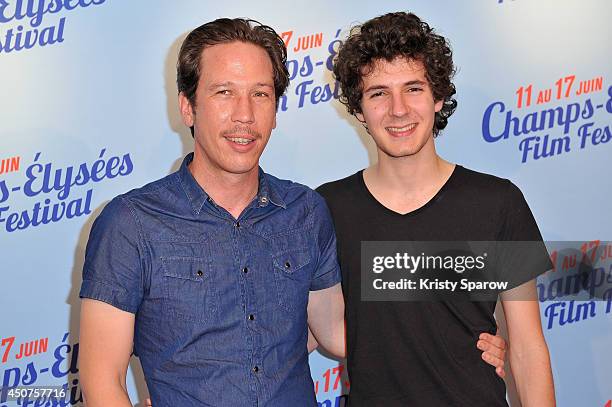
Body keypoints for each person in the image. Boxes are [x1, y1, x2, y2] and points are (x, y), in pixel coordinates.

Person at [78, 17, 506, 407]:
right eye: (224, 92)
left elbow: (340, 332)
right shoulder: (130, 223)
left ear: (276, 108)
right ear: (188, 106)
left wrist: (460, 340)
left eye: (260, 94)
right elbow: (101, 379)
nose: (244, 115)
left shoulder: (306, 210)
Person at [315, 11, 556, 407]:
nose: (398, 109)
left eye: (413, 88)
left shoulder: (498, 202)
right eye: (378, 93)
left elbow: (528, 349)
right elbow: (305, 326)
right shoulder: (326, 208)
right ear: (358, 109)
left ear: (438, 96)